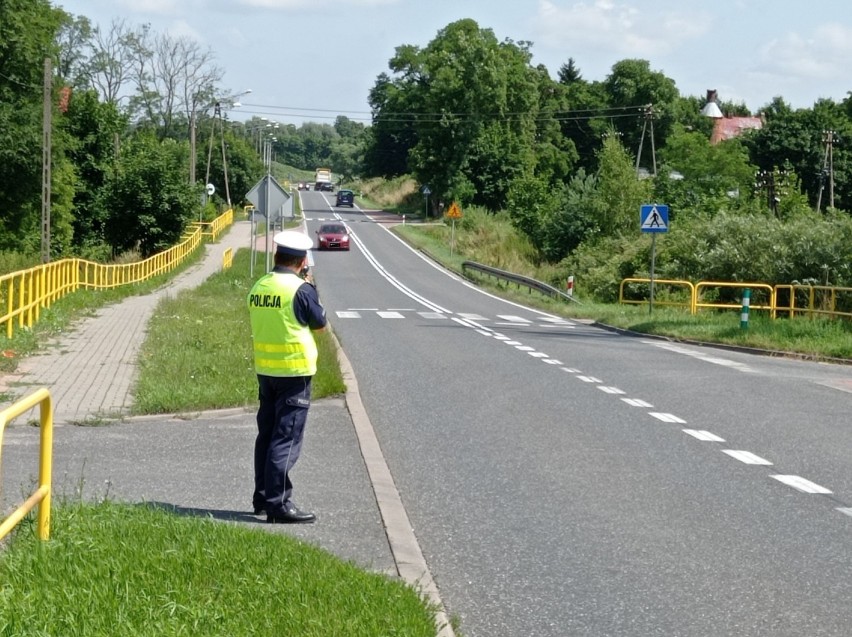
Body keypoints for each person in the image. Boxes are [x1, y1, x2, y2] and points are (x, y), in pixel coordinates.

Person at [247, 229, 327, 523]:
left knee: (266, 437)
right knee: (285, 439)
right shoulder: (301, 290)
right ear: (302, 260)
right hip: (294, 373)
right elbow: (320, 325)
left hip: (266, 372)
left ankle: (262, 498)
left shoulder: (260, 286)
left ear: (276, 255)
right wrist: (311, 289)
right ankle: (279, 504)